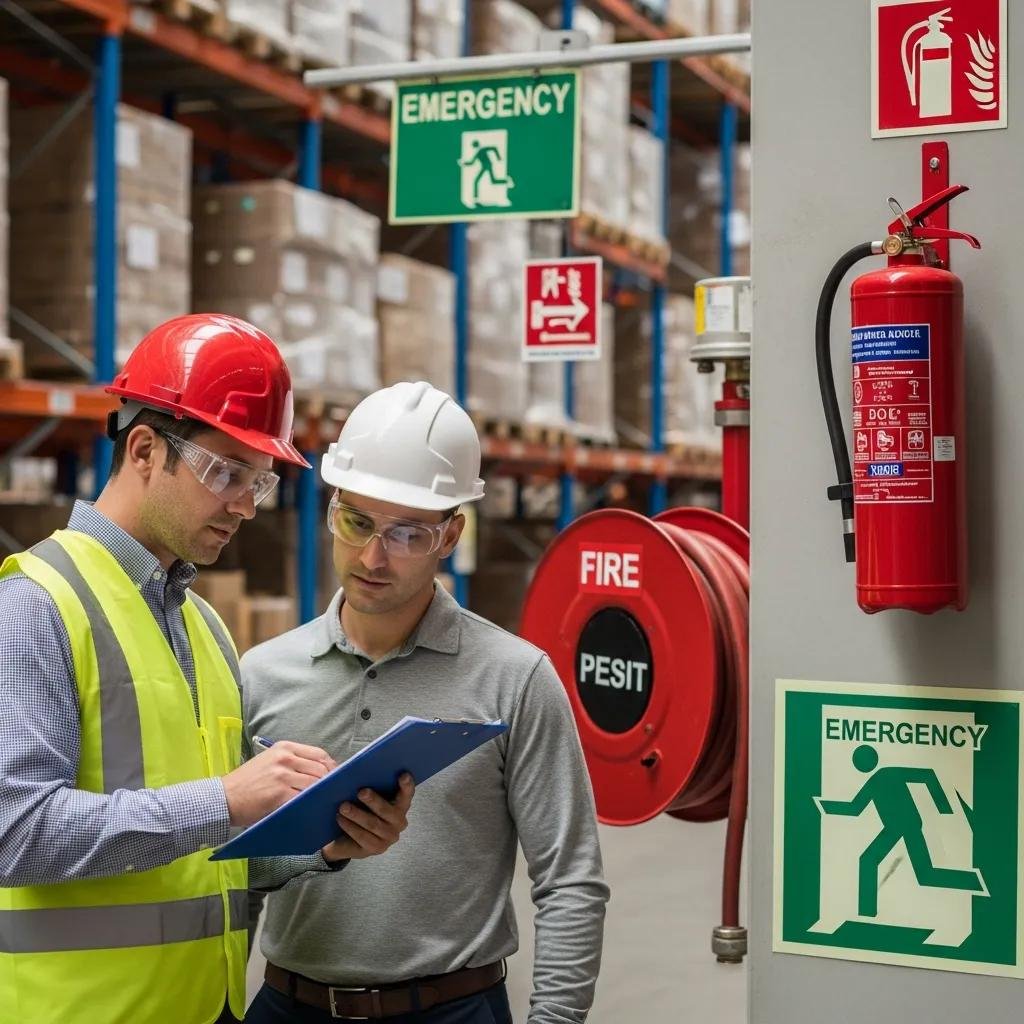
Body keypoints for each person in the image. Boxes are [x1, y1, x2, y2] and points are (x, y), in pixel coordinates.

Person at [0, 315, 414, 1024]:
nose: (245, 506)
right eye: (226, 472)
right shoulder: (36, 606)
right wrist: (225, 798)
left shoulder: (205, 628)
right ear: (143, 449)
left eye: (259, 482)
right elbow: (17, 834)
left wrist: (320, 843)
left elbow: (213, 861)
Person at [243, 380, 608, 1024]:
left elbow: (570, 880)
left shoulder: (516, 679)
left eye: (407, 534)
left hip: (451, 1008)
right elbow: (233, 878)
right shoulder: (263, 674)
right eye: (356, 522)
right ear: (332, 508)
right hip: (288, 1006)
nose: (372, 557)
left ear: (451, 534)